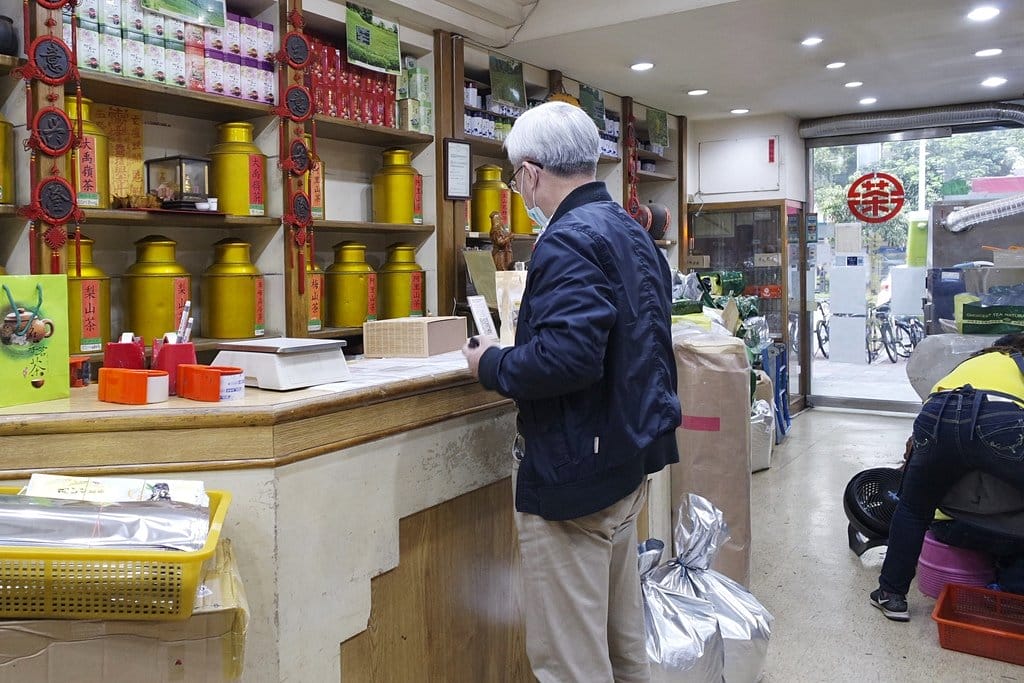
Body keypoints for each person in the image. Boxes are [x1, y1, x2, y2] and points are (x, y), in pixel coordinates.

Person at [461, 101, 681, 682]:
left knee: (569, 663)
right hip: (626, 459)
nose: (521, 193)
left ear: (531, 173)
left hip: (575, 475)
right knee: (621, 644)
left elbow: (567, 359)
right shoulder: (630, 232)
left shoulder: (566, 240)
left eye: (517, 179)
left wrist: (492, 364)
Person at [872, 332, 1024, 621]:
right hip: (1001, 416)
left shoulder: (973, 362)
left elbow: (925, 423)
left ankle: (891, 594)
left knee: (913, 508)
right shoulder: (1018, 362)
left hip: (937, 412)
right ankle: (1013, 590)